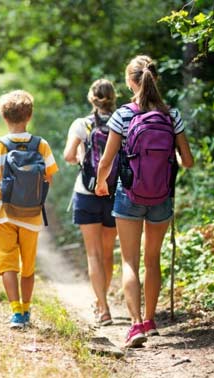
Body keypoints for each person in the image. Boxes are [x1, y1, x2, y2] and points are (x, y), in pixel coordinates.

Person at [95, 55, 194, 347]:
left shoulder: (123, 114)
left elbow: (106, 160)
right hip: (161, 196)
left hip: (129, 194)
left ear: (129, 81)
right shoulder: (171, 114)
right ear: (155, 78)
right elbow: (187, 161)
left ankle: (135, 325)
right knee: (153, 260)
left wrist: (101, 184)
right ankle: (151, 322)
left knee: (129, 260)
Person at [0, 90, 58, 328]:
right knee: (27, 266)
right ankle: (27, 310)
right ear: (29, 116)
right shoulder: (42, 145)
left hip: (3, 213)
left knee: (8, 264)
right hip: (32, 215)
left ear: (4, 117)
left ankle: (16, 312)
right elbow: (49, 179)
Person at [62, 79, 118, 327]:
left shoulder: (81, 124)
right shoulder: (122, 121)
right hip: (115, 192)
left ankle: (103, 307)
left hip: (86, 192)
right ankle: (101, 300)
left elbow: (68, 155)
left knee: (93, 254)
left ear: (91, 98)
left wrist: (80, 160)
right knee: (108, 254)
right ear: (114, 97)